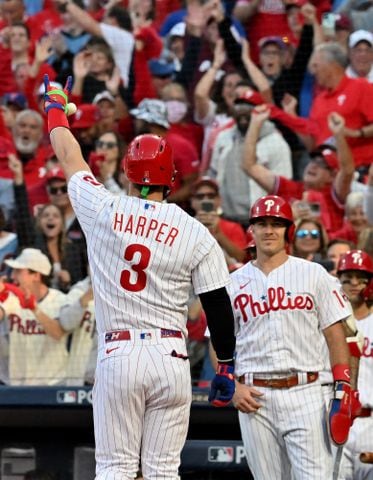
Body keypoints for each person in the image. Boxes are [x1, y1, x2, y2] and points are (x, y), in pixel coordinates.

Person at [43, 76, 236, 479]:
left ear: (130, 174)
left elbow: (68, 153)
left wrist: (56, 105)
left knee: (115, 468)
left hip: (120, 355)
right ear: (171, 178)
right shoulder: (196, 230)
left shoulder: (104, 207)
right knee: (163, 472)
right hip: (171, 359)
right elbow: (218, 304)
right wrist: (226, 367)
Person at [229, 194, 352, 479]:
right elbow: (217, 340)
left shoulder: (313, 274)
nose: (269, 230)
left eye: (276, 223)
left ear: (288, 230)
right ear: (252, 229)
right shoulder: (232, 282)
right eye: (262, 223)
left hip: (306, 391)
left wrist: (343, 385)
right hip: (254, 396)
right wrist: (231, 385)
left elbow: (335, 332)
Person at [0, 248, 68, 385]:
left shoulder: (60, 300)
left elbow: (58, 333)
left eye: (18, 271)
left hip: (52, 385)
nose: (12, 276)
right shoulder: (11, 298)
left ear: (36, 276)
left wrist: (34, 309)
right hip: (13, 386)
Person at [336, 249, 373, 480]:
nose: (354, 283)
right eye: (347, 277)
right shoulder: (328, 325)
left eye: (361, 277)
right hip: (336, 421)